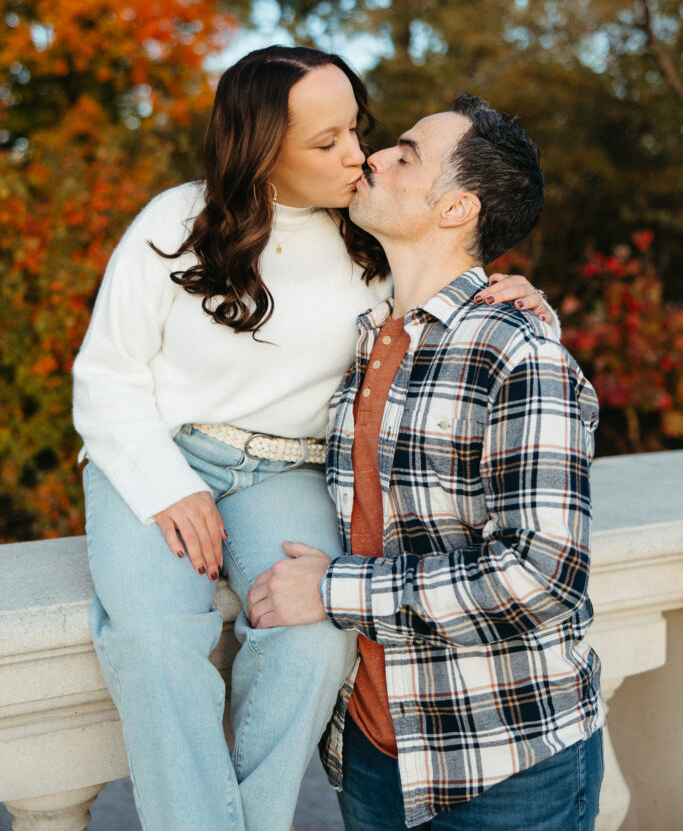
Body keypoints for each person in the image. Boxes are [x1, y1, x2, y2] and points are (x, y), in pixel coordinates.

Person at [73, 46, 552, 831]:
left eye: (355, 131)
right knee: (155, 647)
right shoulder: (175, 221)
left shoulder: (367, 237)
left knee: (313, 642)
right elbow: (105, 376)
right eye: (325, 143)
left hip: (287, 471)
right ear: (263, 150)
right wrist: (169, 487)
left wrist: (528, 298)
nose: (357, 155)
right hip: (157, 452)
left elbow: (448, 313)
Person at [247, 93, 605, 831]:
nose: (371, 156)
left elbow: (540, 578)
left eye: (404, 154)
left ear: (455, 209)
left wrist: (334, 591)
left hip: (503, 761)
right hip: (373, 751)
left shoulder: (519, 352)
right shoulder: (360, 333)